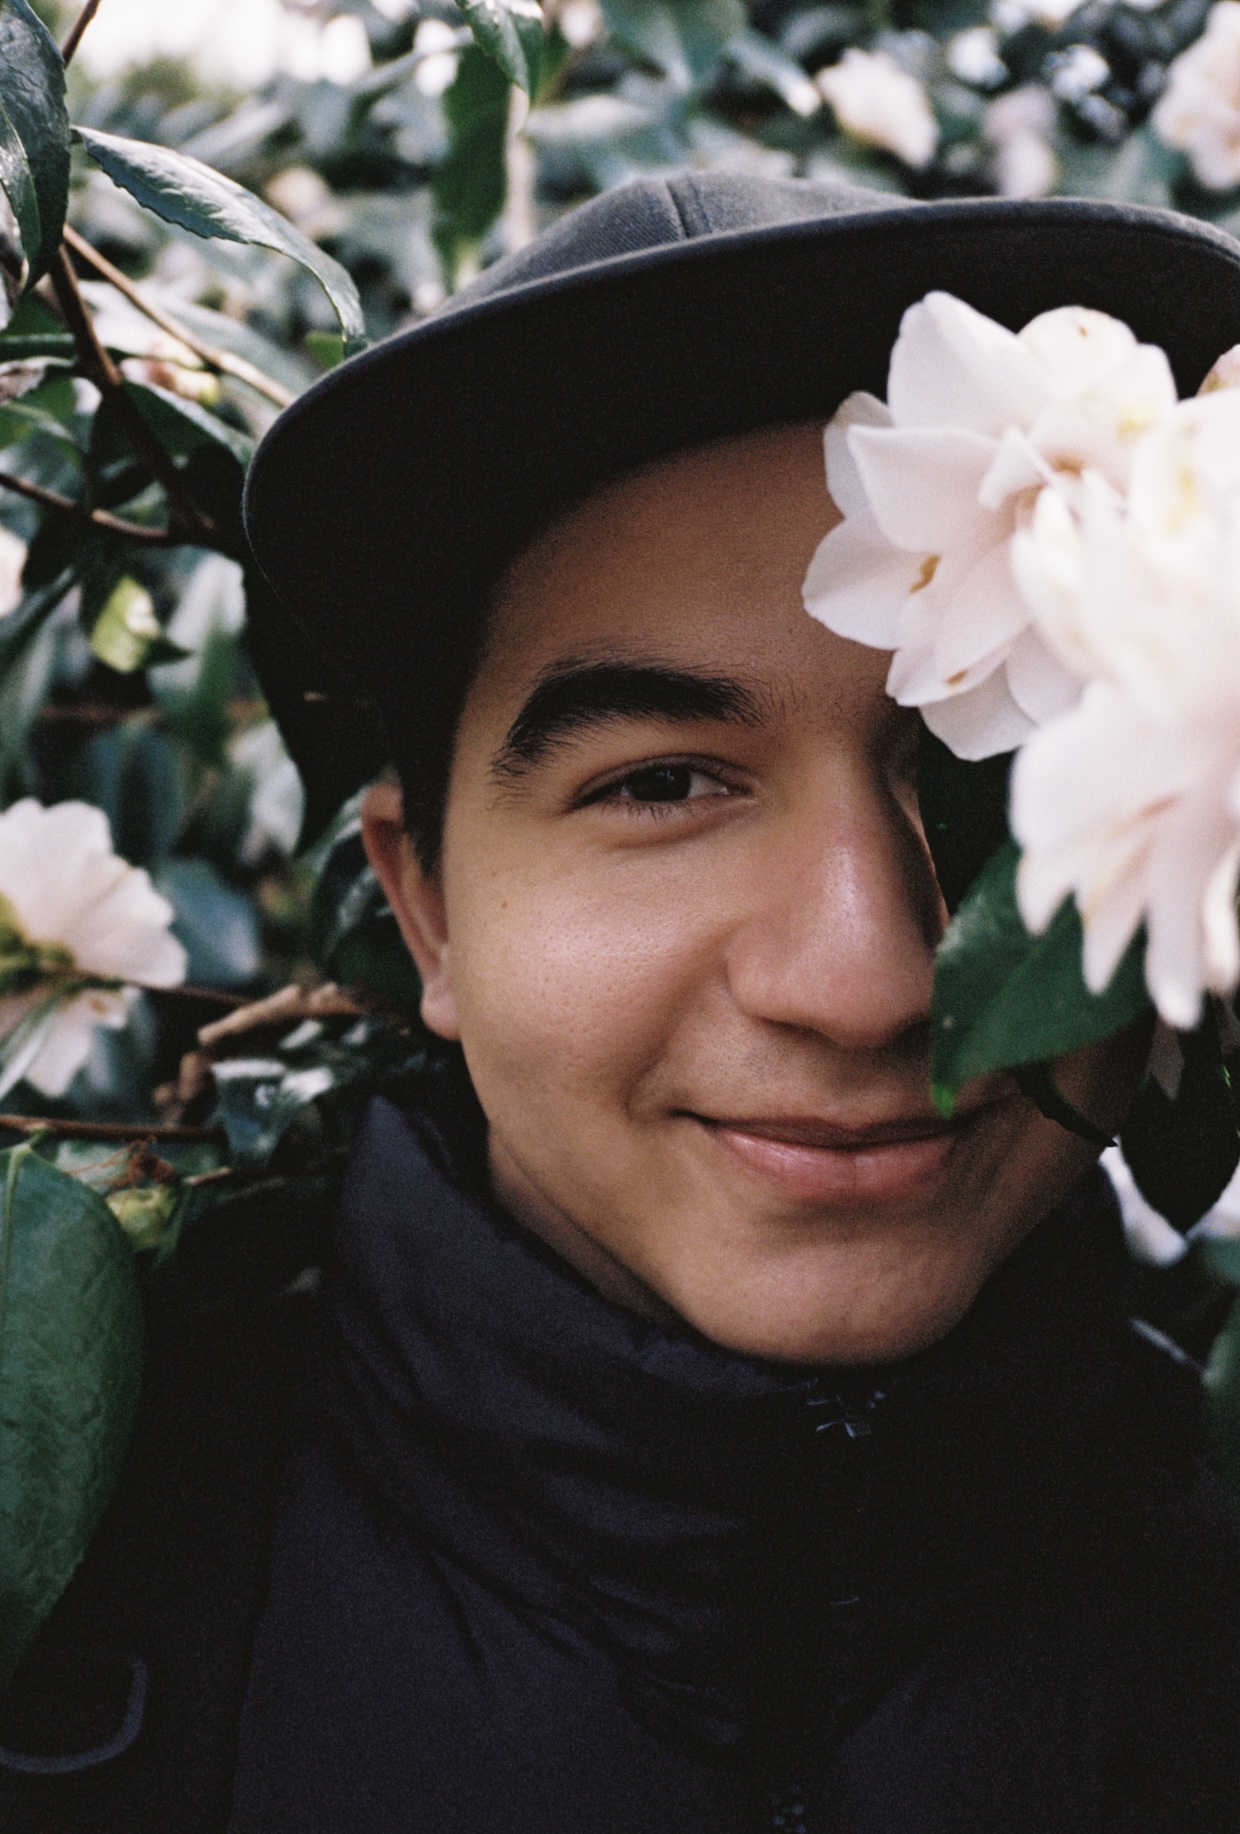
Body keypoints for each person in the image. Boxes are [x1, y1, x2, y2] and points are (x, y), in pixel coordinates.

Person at [4, 171, 1240, 1833]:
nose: (871, 981)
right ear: (424, 902)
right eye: (663, 781)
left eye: (989, 770)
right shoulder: (78, 1645)